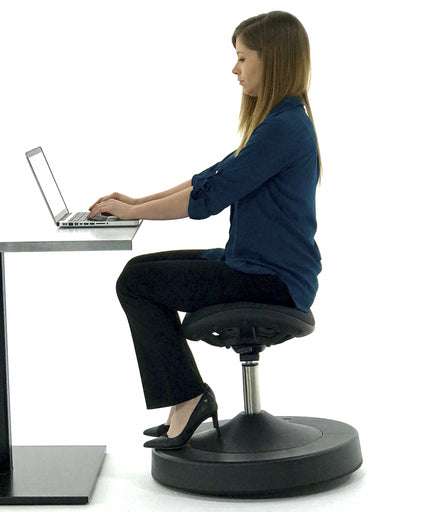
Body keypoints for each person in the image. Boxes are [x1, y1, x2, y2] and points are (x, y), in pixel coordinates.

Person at [88, 11, 322, 449]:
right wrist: (135, 203)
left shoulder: (284, 129)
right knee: (139, 274)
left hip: (272, 281)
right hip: (250, 264)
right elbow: (208, 177)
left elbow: (208, 199)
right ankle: (186, 397)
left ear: (271, 61)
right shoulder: (277, 123)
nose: (234, 69)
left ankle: (188, 398)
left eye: (242, 58)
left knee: (138, 282)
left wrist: (133, 211)